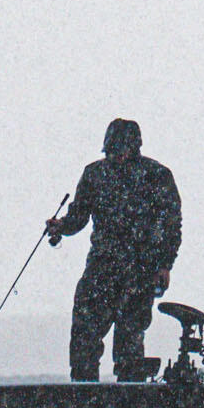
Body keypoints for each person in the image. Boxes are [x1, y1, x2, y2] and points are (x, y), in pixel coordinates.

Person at [43, 117, 184, 382]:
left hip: (141, 271)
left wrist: (165, 265)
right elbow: (79, 216)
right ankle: (84, 391)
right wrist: (60, 226)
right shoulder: (95, 173)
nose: (116, 157)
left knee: (130, 341)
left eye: (121, 151)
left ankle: (128, 395)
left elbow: (172, 225)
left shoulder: (157, 176)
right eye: (112, 152)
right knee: (84, 336)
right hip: (102, 269)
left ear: (135, 148)